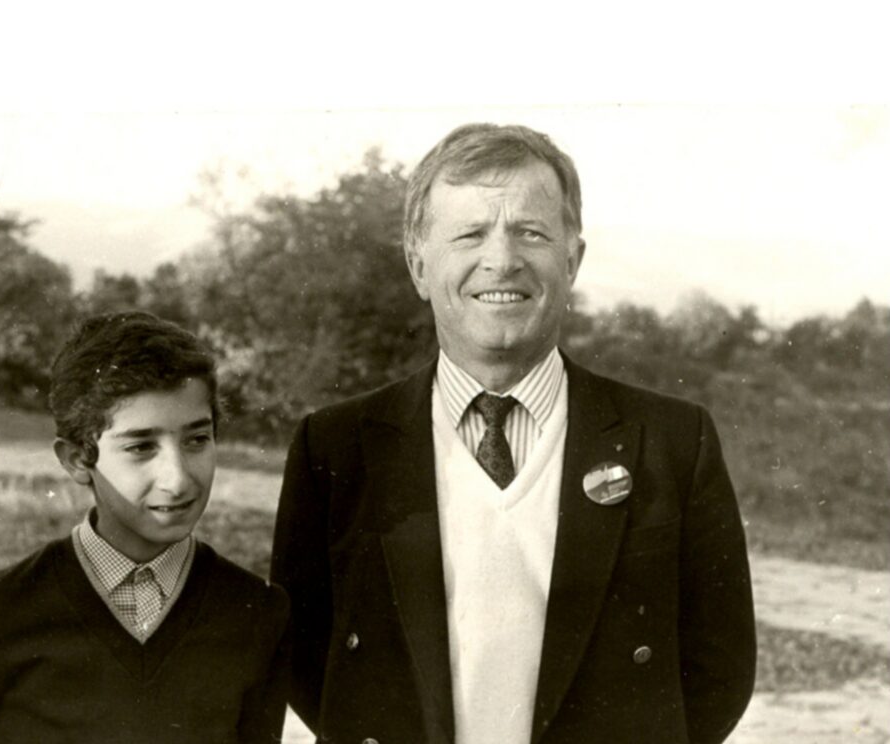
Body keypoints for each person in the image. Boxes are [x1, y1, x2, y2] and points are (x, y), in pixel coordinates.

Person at [271, 123, 756, 744]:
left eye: (531, 232)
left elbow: (720, 665)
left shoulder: (671, 440)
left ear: (573, 259)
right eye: (470, 233)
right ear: (419, 267)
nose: (501, 259)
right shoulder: (333, 447)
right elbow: (312, 662)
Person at [0, 311, 289, 743]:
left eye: (197, 439)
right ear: (78, 460)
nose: (177, 478)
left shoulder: (256, 613)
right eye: (140, 447)